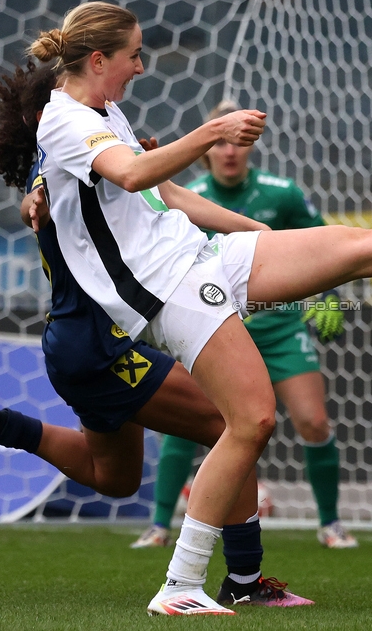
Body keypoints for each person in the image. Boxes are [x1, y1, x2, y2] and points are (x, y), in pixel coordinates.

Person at [28, 0, 372, 616]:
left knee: (363, 249)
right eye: (134, 54)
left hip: (203, 258)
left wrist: (261, 240)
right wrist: (211, 132)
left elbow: (167, 195)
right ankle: (180, 586)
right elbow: (133, 175)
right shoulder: (61, 120)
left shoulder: (104, 108)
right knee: (251, 420)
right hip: (168, 291)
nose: (141, 66)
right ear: (99, 58)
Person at [0, 59, 313, 611]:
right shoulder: (65, 169)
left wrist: (257, 235)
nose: (103, 110)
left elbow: (149, 194)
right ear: (52, 113)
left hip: (81, 346)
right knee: (228, 421)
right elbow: (58, 198)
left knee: (111, 476)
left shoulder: (72, 169)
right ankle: (244, 579)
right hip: (99, 347)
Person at [131, 100, 357, 551]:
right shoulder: (187, 196)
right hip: (215, 326)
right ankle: (159, 526)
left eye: (238, 143)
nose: (230, 152)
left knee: (313, 420)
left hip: (280, 326)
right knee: (190, 426)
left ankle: (330, 524)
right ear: (208, 149)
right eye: (221, 143)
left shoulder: (283, 193)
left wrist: (331, 298)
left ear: (249, 148)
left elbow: (324, 245)